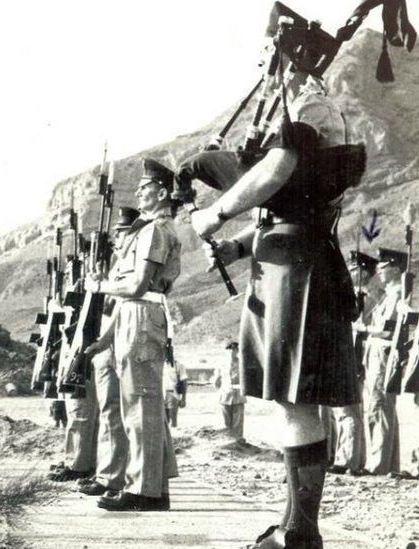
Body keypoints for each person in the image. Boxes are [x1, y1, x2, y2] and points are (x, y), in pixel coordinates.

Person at [187, 40, 362, 545]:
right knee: (291, 402)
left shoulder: (310, 105)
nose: (260, 67)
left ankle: (302, 534)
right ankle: (293, 527)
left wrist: (215, 213)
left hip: (301, 268)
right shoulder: (298, 106)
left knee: (299, 400)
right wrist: (238, 249)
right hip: (285, 261)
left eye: (267, 57)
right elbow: (286, 208)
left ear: (287, 54)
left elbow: (278, 169)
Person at [83, 158, 182, 512]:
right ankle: (153, 486)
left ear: (162, 192)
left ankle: (144, 490)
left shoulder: (154, 230)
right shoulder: (149, 228)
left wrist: (100, 285)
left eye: (145, 187)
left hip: (140, 312)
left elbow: (139, 283)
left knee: (140, 405)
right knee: (141, 404)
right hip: (135, 313)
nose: (139, 192)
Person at [77, 207, 140, 497]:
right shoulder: (115, 266)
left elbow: (117, 302)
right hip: (108, 341)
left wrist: (101, 286)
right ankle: (109, 474)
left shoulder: (127, 267)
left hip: (118, 340)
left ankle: (114, 476)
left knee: (116, 411)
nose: (118, 239)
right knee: (109, 411)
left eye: (123, 233)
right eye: (116, 234)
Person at [357, 248, 406, 475]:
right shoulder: (390, 293)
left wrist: (364, 329)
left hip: (383, 353)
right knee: (381, 407)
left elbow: (388, 331)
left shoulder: (397, 294)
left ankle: (378, 464)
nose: (379, 271)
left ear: (395, 270)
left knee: (379, 407)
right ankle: (387, 463)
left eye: (384, 268)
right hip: (376, 352)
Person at [329, 251, 378, 474]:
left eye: (354, 270)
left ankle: (348, 459)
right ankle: (349, 457)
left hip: (353, 357)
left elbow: (359, 330)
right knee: (343, 411)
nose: (350, 273)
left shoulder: (365, 299)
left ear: (362, 273)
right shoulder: (356, 297)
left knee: (348, 410)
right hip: (346, 355)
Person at [212, 341, 246, 442]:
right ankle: (228, 443)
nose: (231, 352)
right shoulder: (221, 364)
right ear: (226, 351)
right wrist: (221, 391)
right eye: (229, 350)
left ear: (237, 351)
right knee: (226, 422)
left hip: (238, 395)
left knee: (238, 422)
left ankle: (238, 442)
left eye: (234, 349)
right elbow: (216, 381)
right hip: (225, 395)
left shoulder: (242, 363)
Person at [163, 357, 187, 429]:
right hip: (161, 395)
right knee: (163, 421)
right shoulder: (160, 365)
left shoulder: (179, 366)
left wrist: (183, 399)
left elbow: (184, 382)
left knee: (172, 420)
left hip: (173, 394)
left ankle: (173, 437)